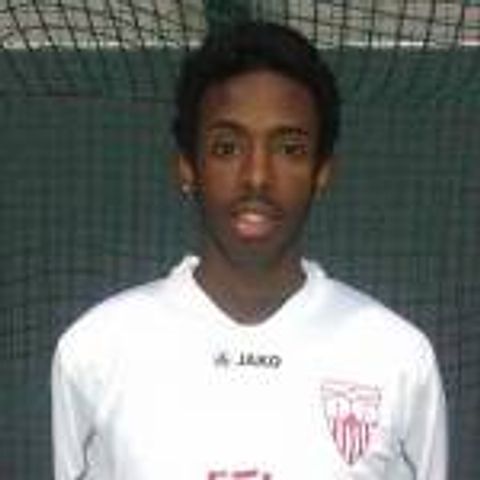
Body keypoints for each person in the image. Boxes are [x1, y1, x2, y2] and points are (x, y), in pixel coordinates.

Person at [51, 21, 447, 480]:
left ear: (322, 170)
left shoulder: (398, 359)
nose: (257, 176)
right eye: (227, 147)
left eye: (289, 149)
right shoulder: (95, 351)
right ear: (187, 166)